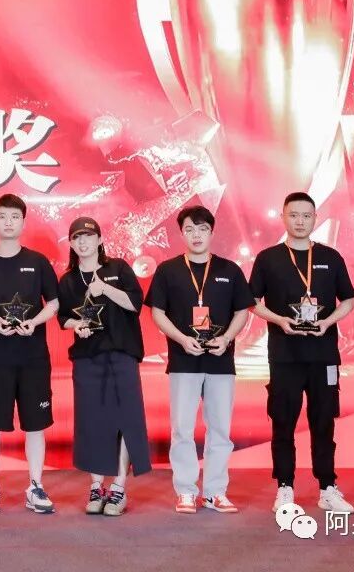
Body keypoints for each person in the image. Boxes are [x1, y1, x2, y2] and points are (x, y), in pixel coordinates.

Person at [250, 192, 354, 514]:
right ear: (283, 217)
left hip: (323, 355)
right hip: (285, 355)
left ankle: (327, 488)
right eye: (294, 215)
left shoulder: (330, 257)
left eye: (306, 215)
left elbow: (349, 300)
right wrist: (280, 320)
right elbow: (252, 302)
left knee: (324, 422)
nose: (300, 221)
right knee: (283, 422)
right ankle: (285, 488)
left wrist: (327, 322)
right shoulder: (268, 258)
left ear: (315, 218)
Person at [145, 206, 253, 514]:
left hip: (220, 359)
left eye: (202, 229)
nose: (196, 235)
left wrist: (227, 338)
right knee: (182, 428)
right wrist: (181, 339)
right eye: (190, 229)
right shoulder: (168, 270)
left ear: (211, 232)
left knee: (220, 429)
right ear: (181, 233)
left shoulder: (230, 270)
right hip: (184, 359)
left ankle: (216, 492)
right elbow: (157, 312)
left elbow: (242, 311)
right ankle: (186, 490)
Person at [0, 194, 60, 515]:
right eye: (2, 217)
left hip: (33, 357)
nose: (8, 222)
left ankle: (35, 486)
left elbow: (54, 303)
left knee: (36, 424)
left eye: (14, 217)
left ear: (23, 221)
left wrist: (34, 322)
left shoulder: (38, 262)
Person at [57, 216, 151, 516]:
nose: (83, 241)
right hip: (87, 357)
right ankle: (97, 486)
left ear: (99, 239)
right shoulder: (68, 280)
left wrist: (105, 290)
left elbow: (135, 303)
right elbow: (63, 317)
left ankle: (119, 488)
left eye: (88, 235)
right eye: (76, 237)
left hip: (122, 354)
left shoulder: (118, 268)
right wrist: (77, 325)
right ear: (71, 244)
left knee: (126, 418)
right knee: (92, 421)